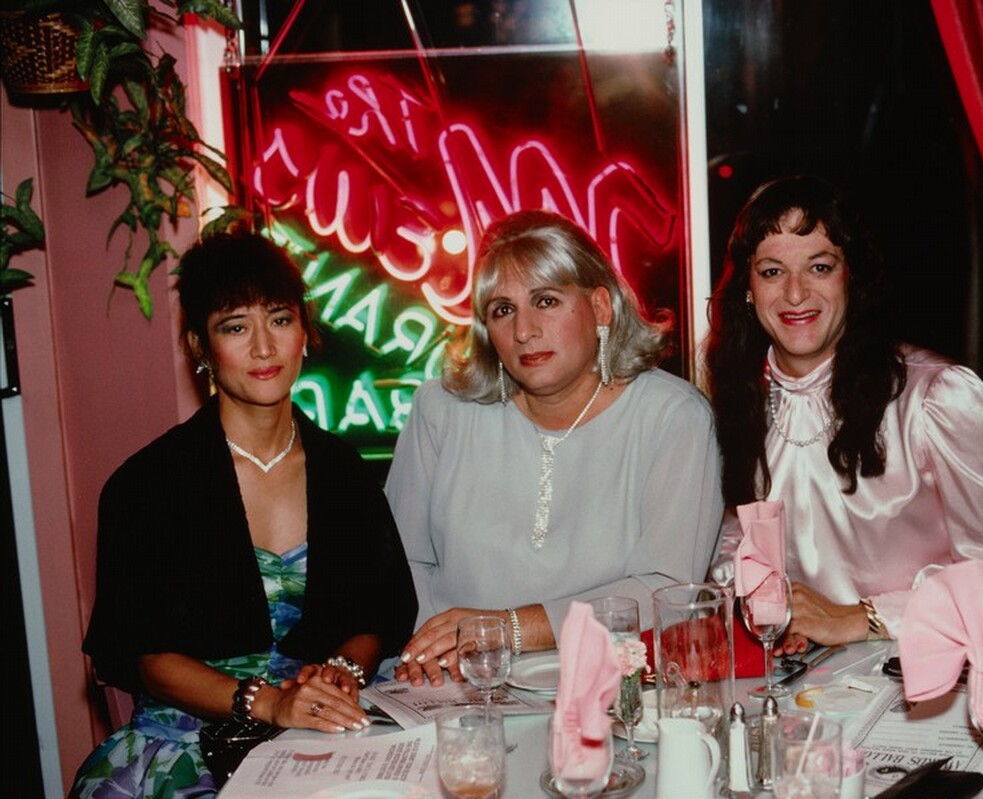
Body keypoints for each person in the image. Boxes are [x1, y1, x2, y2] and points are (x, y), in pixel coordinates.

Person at [72, 230, 417, 799]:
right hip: (193, 734)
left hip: (327, 719)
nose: (264, 347)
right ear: (200, 346)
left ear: (304, 333)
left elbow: (378, 615)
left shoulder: (343, 470)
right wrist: (271, 702)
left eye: (279, 320)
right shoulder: (147, 484)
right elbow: (150, 658)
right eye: (235, 327)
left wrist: (342, 672)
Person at [387, 209, 723, 685]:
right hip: (453, 685)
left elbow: (669, 588)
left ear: (601, 307)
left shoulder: (674, 417)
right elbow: (402, 563)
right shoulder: (441, 409)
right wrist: (431, 649)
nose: (524, 331)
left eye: (545, 301)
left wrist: (510, 629)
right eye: (502, 310)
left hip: (607, 686)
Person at [705, 175, 983, 651]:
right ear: (748, 288)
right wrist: (764, 606)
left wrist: (863, 618)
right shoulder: (737, 401)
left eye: (819, 267)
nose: (795, 294)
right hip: (802, 681)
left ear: (851, 276)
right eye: (773, 271)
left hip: (930, 666)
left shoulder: (938, 398)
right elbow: (733, 541)